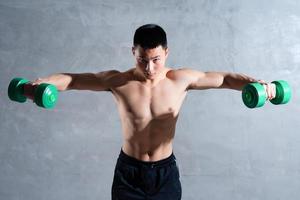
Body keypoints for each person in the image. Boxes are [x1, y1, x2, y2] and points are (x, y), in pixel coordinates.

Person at [32, 24, 276, 200]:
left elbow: (224, 79)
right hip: (129, 173)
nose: (149, 68)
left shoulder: (180, 80)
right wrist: (45, 83)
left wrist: (258, 85)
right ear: (133, 53)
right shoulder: (118, 81)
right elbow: (73, 80)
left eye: (156, 59)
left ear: (166, 53)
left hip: (164, 174)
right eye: (142, 60)